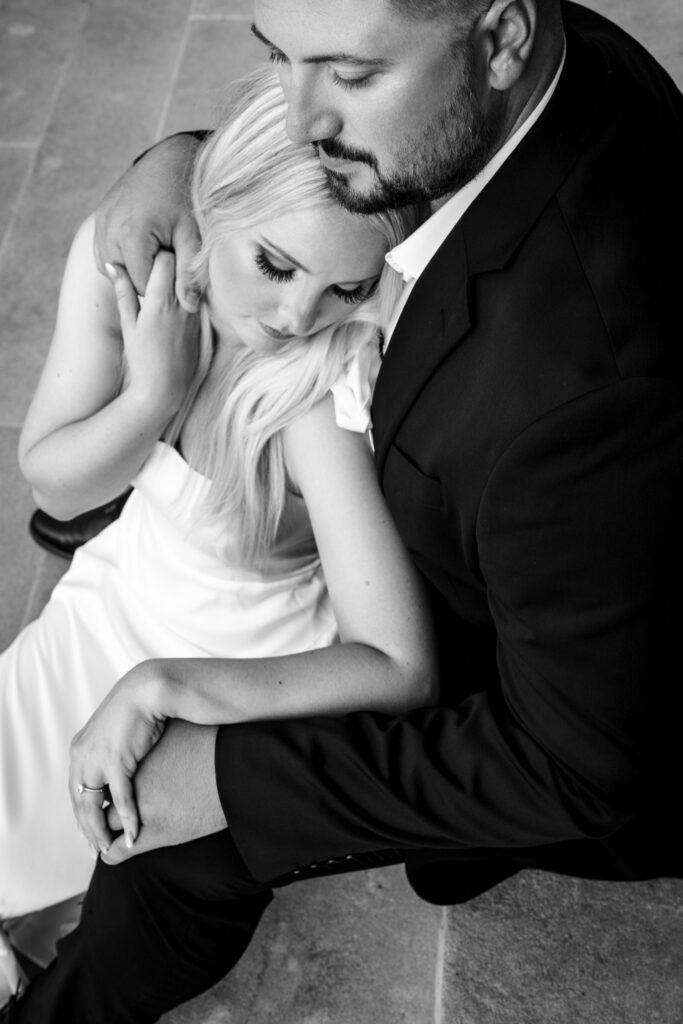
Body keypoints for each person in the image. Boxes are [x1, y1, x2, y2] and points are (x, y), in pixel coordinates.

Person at [7, 0, 683, 1021]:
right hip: (134, 607)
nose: (299, 110)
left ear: (502, 36)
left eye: (347, 76)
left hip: (514, 707)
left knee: (169, 863)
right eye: (278, 56)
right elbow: (289, 173)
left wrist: (221, 761)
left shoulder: (566, 387)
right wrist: (173, 165)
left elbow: (560, 756)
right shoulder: (517, 74)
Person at [0, 66, 434, 1009]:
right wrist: (153, 392)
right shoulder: (127, 268)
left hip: (224, 676)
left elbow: (399, 664)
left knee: (102, 861)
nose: (295, 317)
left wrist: (163, 686)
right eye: (275, 266)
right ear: (210, 209)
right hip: (104, 609)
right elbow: (55, 477)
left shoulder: (312, 398)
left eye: (345, 287)